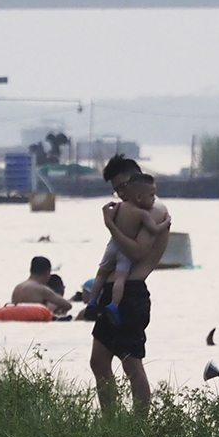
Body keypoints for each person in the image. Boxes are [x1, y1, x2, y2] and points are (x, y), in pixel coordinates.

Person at [91, 154, 172, 411]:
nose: (120, 194)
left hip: (131, 293)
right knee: (99, 362)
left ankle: (139, 430)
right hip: (112, 292)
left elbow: (138, 252)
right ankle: (110, 424)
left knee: (131, 363)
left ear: (137, 179)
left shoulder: (154, 210)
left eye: (123, 186)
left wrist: (110, 226)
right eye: (116, 190)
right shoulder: (129, 209)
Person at [82, 173, 168, 323]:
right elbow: (154, 229)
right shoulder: (142, 214)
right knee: (120, 278)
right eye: (152, 195)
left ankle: (92, 301)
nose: (154, 199)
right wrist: (166, 223)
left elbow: (112, 221)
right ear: (139, 197)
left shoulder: (118, 207)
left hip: (111, 246)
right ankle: (114, 305)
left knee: (100, 274)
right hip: (124, 251)